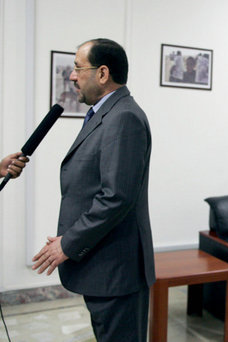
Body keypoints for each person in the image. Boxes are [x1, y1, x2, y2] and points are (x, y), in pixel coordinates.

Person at [31, 38, 155, 342]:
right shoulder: (105, 113)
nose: (72, 76)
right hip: (103, 266)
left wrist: (68, 243)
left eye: (77, 68)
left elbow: (116, 197)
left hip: (117, 271)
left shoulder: (123, 117)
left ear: (102, 74)